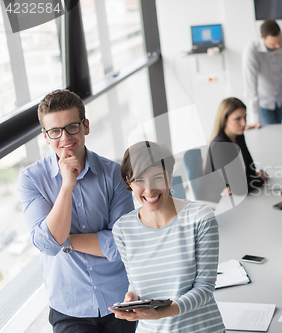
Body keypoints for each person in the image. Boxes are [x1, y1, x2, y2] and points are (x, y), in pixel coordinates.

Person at [17, 90, 136, 333]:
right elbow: (48, 245)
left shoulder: (114, 174)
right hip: (70, 306)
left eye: (72, 127)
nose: (65, 138)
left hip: (120, 300)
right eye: (55, 131)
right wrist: (66, 186)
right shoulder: (31, 179)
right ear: (46, 136)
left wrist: (65, 240)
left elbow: (121, 244)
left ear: (86, 126)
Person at [109, 141, 225, 333]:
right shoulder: (122, 229)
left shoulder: (200, 217)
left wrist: (163, 312)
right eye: (139, 180)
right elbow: (137, 282)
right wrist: (132, 296)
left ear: (170, 176)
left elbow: (205, 288)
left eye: (157, 178)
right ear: (129, 181)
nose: (149, 190)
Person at [243, 19, 282, 127]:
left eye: (279, 42)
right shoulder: (252, 50)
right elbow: (251, 87)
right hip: (263, 102)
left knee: (278, 130)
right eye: (273, 44)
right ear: (262, 38)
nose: (278, 46)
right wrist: (255, 120)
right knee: (270, 136)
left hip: (280, 97)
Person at [205, 97, 267, 196]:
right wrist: (260, 178)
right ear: (224, 120)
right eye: (237, 119)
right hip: (220, 199)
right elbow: (240, 189)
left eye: (245, 117)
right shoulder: (220, 146)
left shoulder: (238, 136)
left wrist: (249, 180)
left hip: (236, 196)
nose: (244, 123)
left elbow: (251, 170)